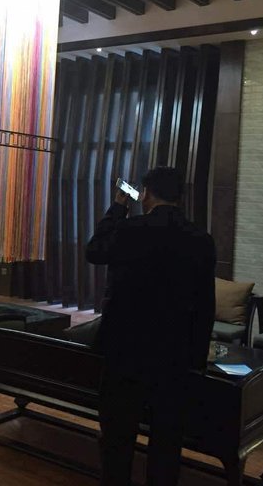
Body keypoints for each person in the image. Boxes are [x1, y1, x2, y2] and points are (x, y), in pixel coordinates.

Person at [86, 166, 216, 486]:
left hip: (125, 349)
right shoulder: (201, 240)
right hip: (174, 353)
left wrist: (118, 206)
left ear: (145, 194)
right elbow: (205, 306)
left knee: (118, 433)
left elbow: (94, 251)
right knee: (167, 439)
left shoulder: (130, 230)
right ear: (180, 197)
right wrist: (197, 358)